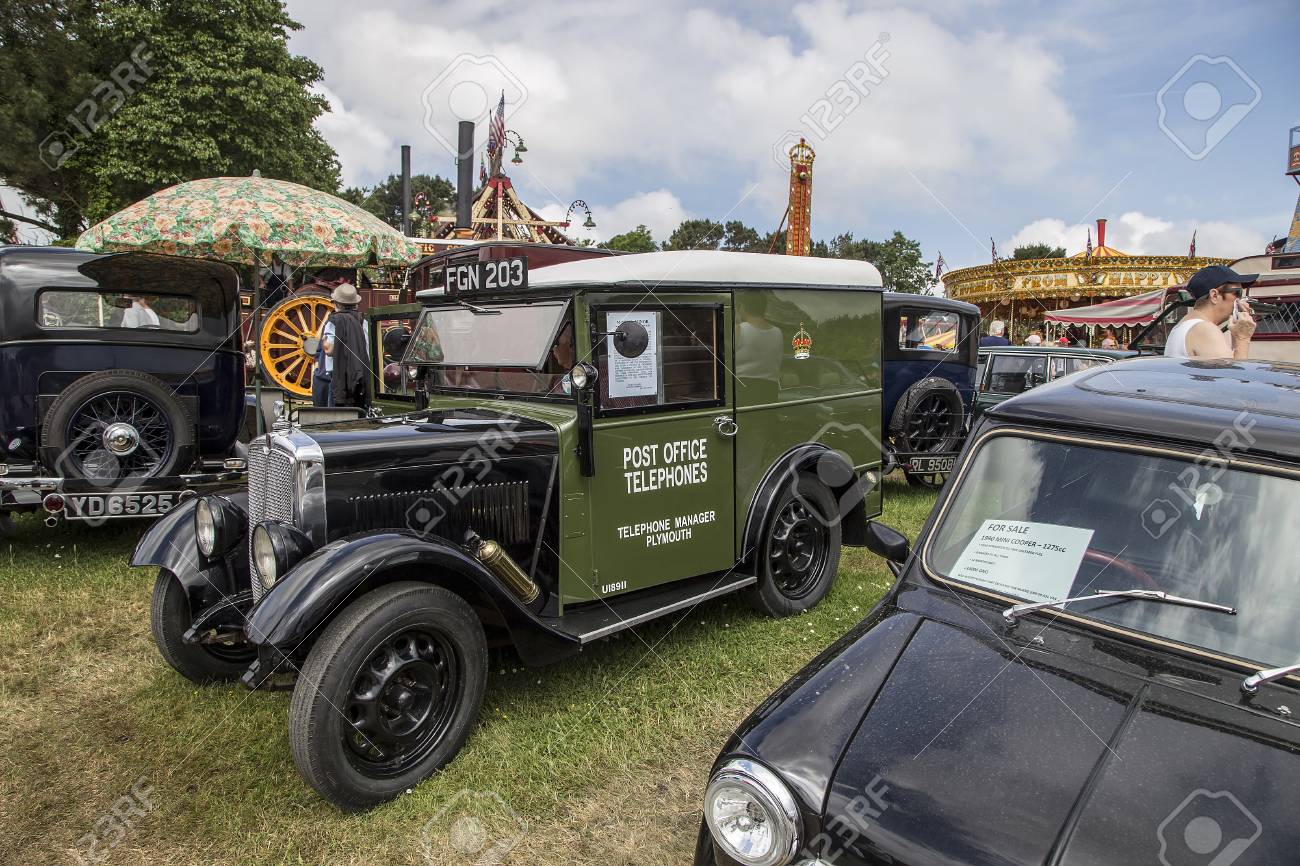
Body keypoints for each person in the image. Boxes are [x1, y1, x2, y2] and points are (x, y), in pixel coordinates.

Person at [1164, 265, 1257, 361]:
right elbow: (1233, 375)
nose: (1239, 300)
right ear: (1214, 295)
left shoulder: (1184, 326)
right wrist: (1242, 339)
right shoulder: (1205, 329)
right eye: (1237, 293)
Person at [321, 283, 371, 408]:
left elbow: (329, 350)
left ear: (336, 303)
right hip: (361, 374)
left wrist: (324, 341)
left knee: (336, 415)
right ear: (355, 304)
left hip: (338, 376)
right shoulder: (363, 320)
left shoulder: (333, 321)